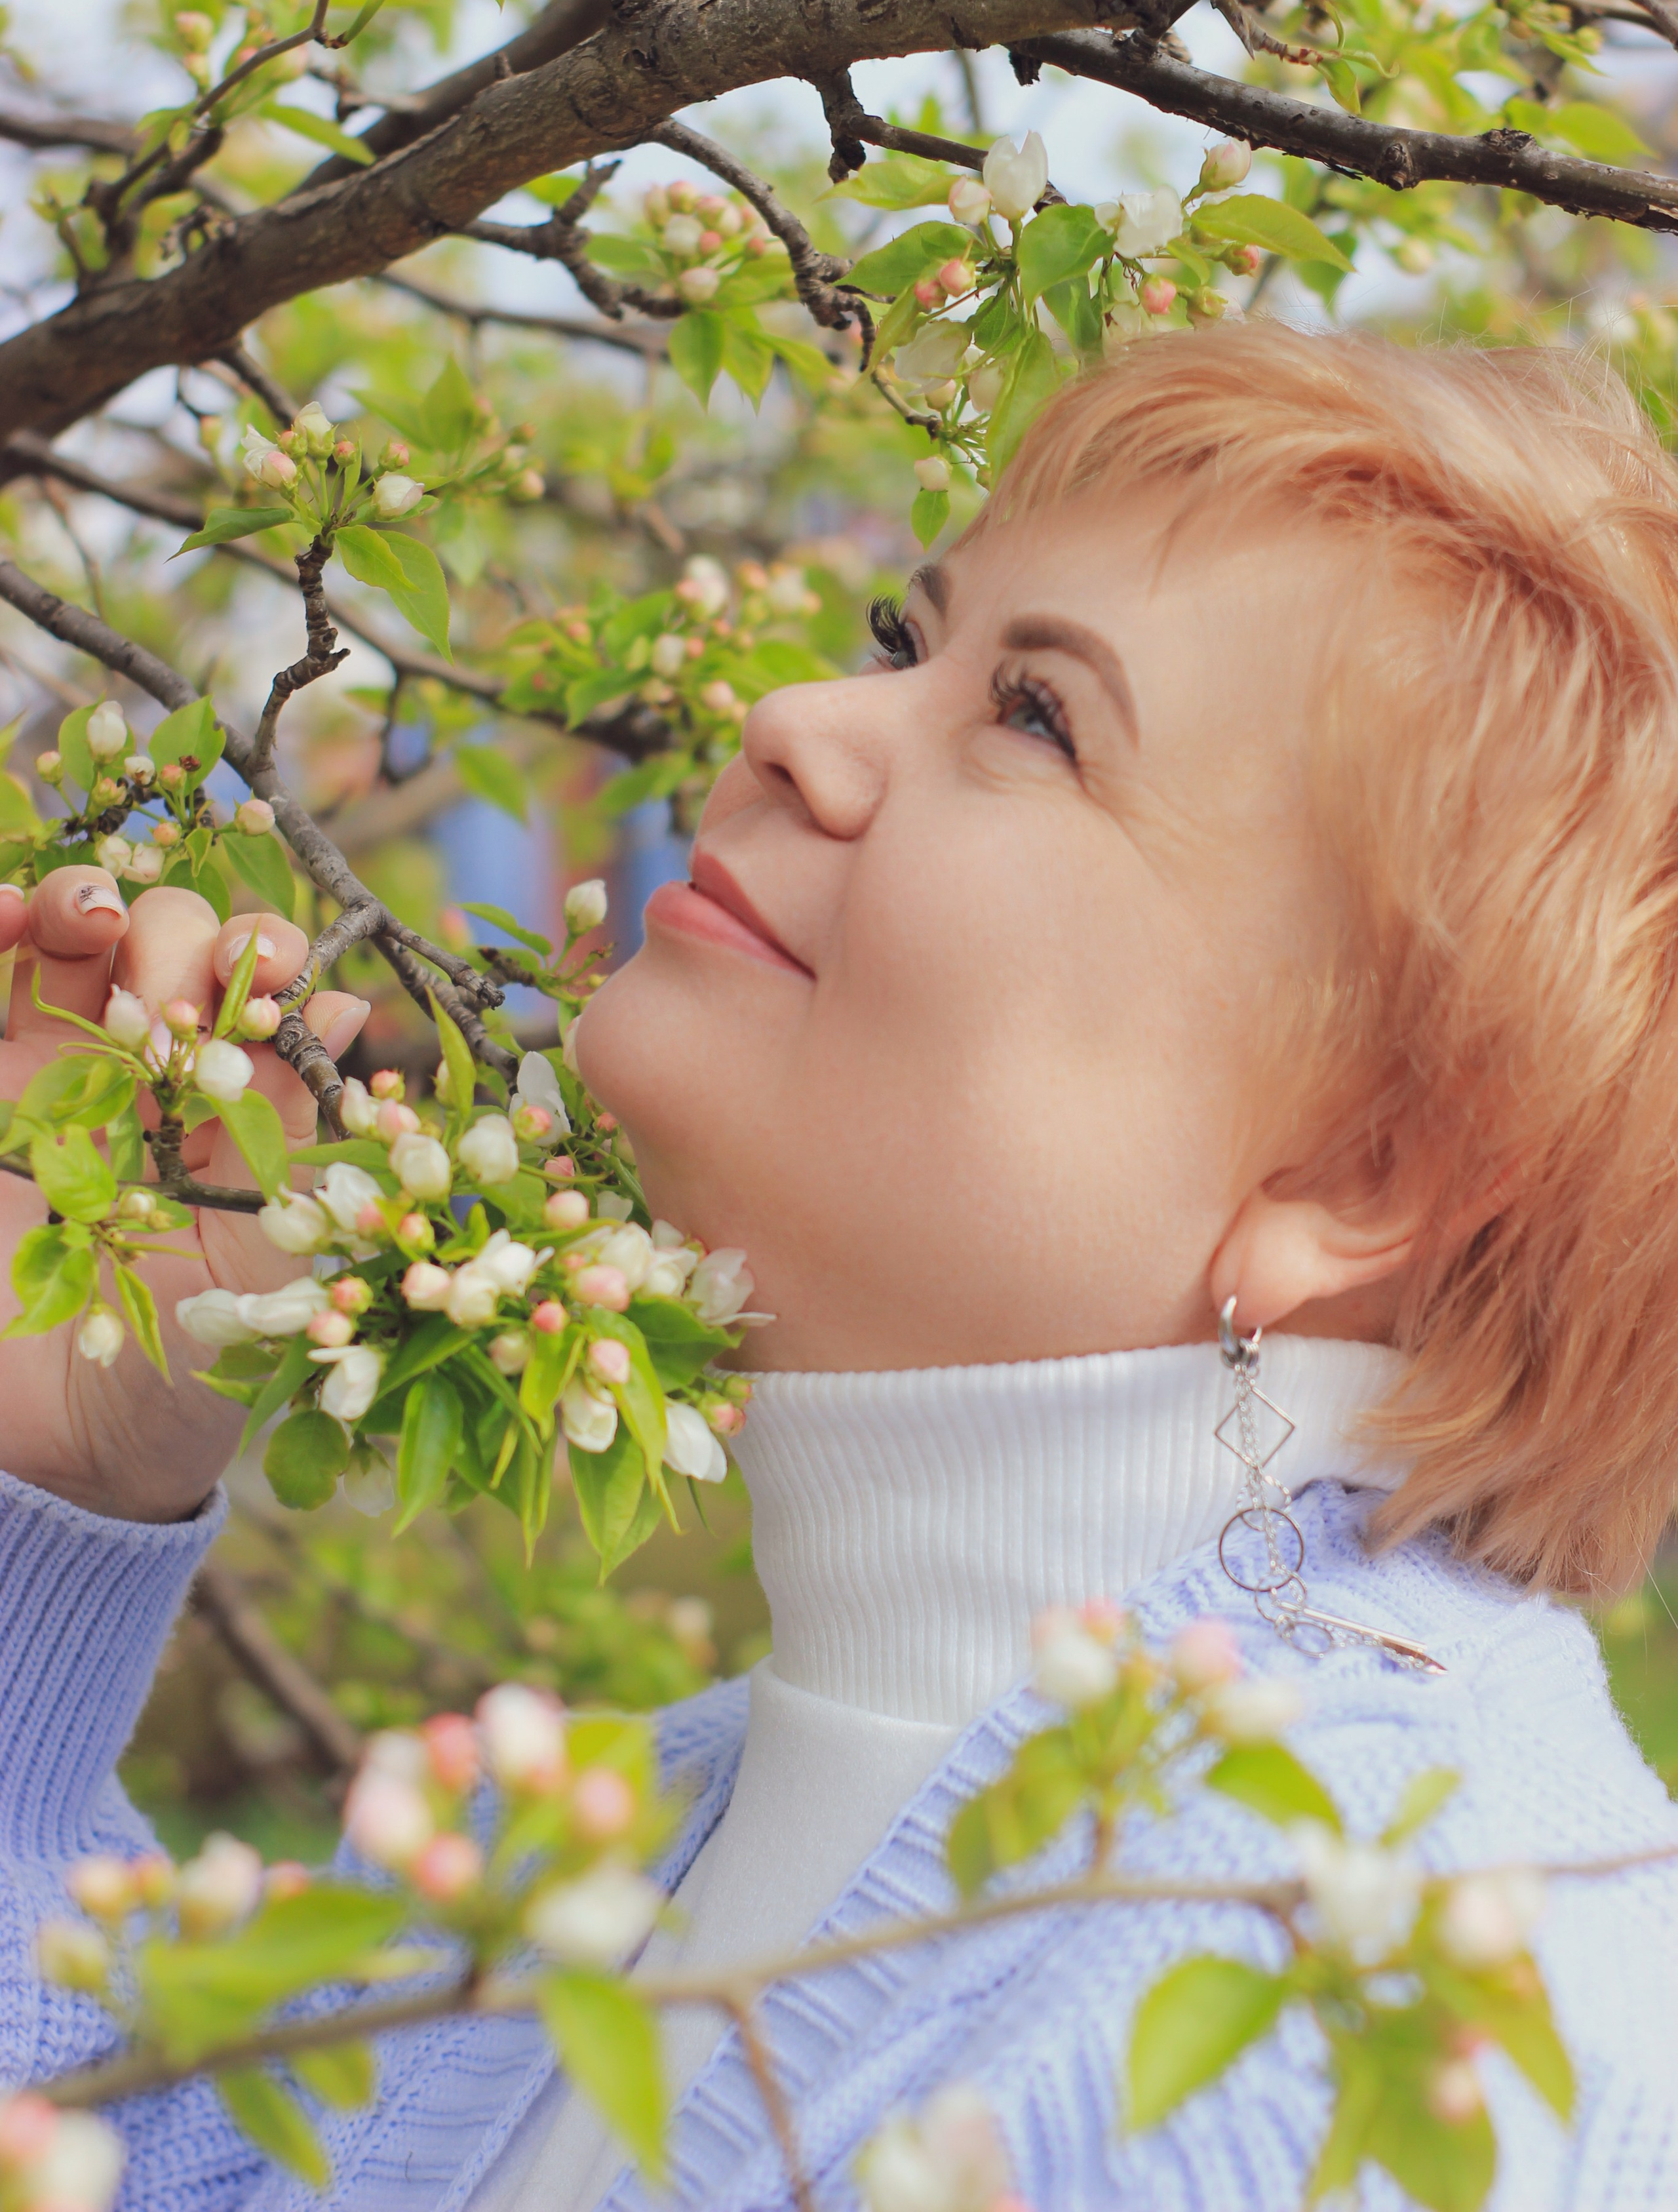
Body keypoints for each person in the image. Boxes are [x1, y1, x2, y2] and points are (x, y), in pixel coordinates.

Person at [3, 322, 1677, 2212]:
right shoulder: (578, 1859)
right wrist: (58, 1467)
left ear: (1365, 1169)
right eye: (908, 641)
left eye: (1036, 716)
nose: (797, 717)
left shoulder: (1358, 2022)